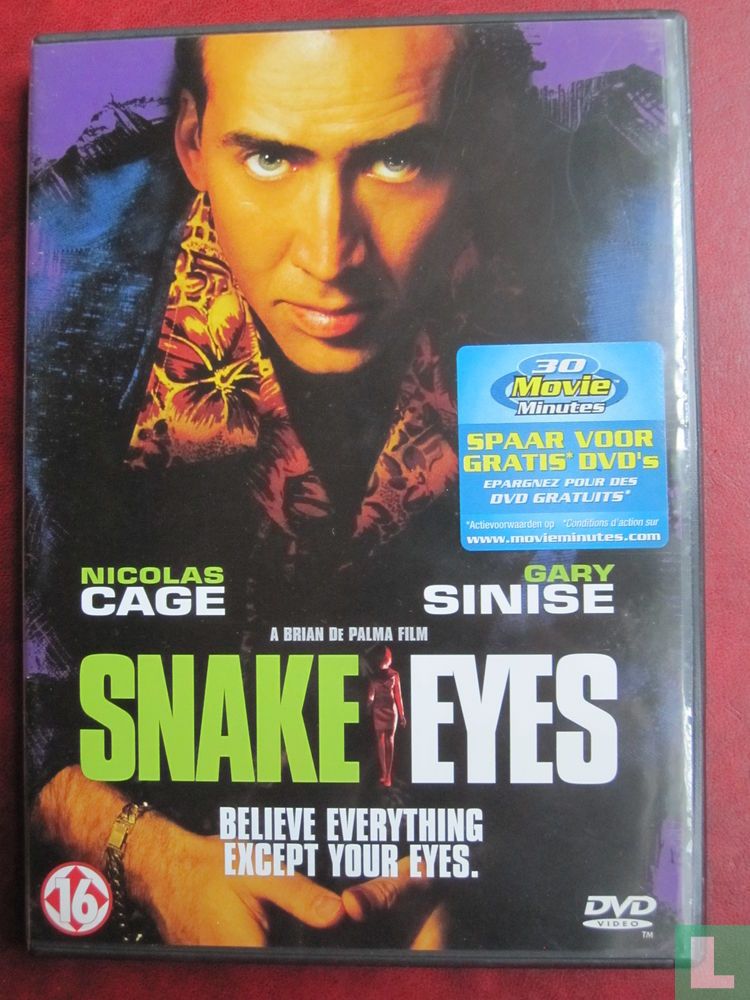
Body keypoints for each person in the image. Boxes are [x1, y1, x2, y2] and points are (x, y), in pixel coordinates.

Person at [27, 21, 672, 954]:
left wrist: (507, 883)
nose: (329, 254)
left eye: (398, 160)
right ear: (192, 144)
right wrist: (153, 857)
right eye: (270, 157)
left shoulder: (612, 275)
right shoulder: (57, 283)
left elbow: (642, 684)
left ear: (477, 145)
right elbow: (29, 707)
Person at [367, 646, 407, 787]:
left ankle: (386, 774)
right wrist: (401, 715)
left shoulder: (378, 677)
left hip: (383, 710)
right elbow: (397, 696)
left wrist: (368, 707)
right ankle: (386, 774)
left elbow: (371, 696)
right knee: (387, 741)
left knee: (383, 741)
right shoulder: (393, 675)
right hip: (386, 710)